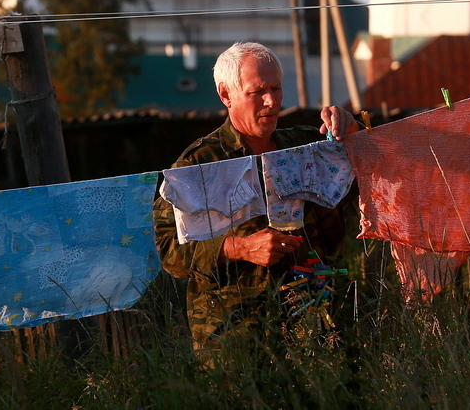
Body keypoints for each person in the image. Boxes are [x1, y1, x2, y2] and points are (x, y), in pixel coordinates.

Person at [153, 41, 358, 354]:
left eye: (276, 89)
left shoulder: (305, 145)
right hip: (235, 335)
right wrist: (239, 248)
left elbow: (377, 168)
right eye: (257, 91)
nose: (271, 101)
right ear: (226, 95)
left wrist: (353, 130)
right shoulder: (200, 164)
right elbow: (167, 248)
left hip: (314, 323)